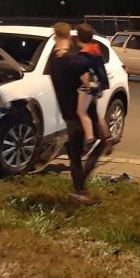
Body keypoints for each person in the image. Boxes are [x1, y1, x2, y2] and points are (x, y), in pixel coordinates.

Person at [47, 22, 102, 205]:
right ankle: (80, 189)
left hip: (67, 112)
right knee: (98, 143)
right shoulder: (75, 61)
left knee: (75, 154)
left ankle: (80, 188)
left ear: (55, 37)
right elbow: (91, 86)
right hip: (82, 112)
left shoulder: (54, 59)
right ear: (70, 38)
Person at [75, 23, 114, 156]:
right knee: (96, 114)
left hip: (88, 86)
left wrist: (86, 86)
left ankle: (90, 139)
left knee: (81, 112)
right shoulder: (96, 50)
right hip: (98, 85)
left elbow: (85, 74)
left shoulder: (84, 54)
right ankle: (107, 138)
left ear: (78, 38)